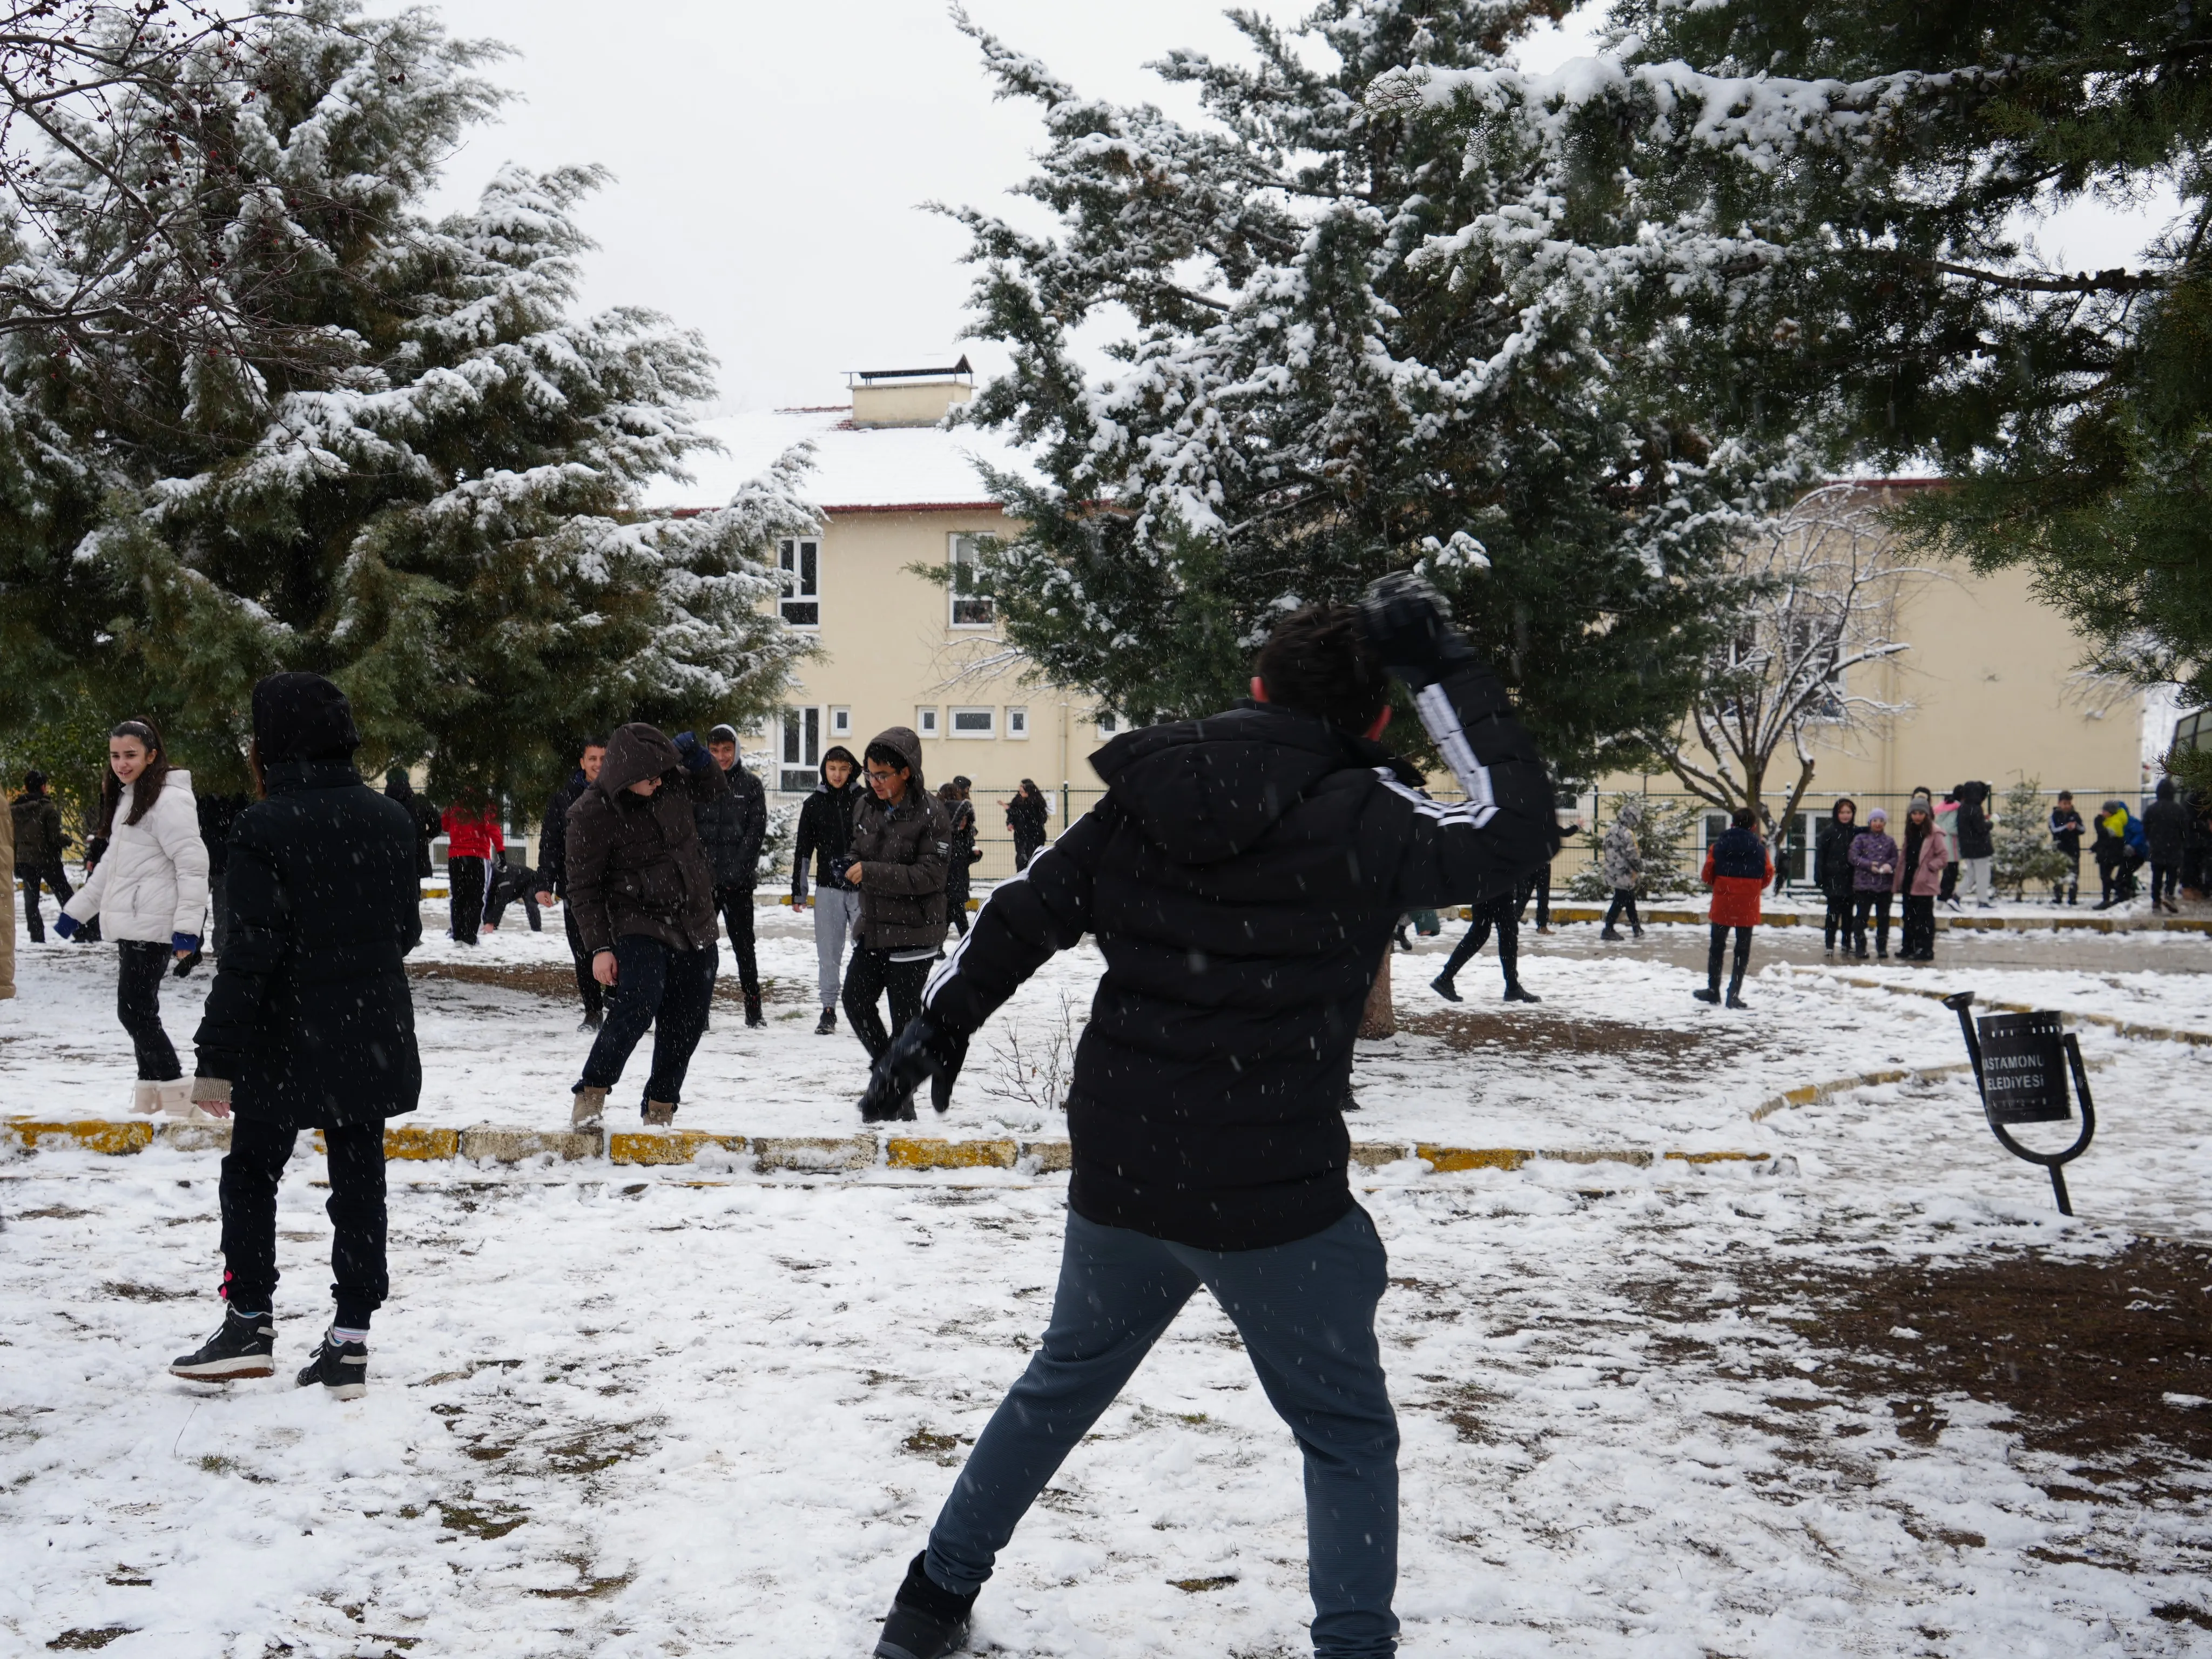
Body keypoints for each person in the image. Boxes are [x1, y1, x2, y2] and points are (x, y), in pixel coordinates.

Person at [853, 582, 1556, 1659]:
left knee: (1059, 1383)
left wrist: (939, 1024)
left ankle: (926, 1608)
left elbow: (1024, 908)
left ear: (1257, 685)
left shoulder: (1150, 790)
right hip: (1273, 1192)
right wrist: (1441, 671)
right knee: (1345, 1435)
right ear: (1370, 718)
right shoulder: (1370, 814)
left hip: (1130, 1170)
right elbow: (1512, 831)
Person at [166, 672, 422, 1397]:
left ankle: (249, 1319)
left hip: (283, 1034)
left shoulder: (262, 826)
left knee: (251, 1171)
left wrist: (215, 1058)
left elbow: (250, 952)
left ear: (270, 743)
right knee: (359, 1176)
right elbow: (403, 930)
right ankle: (350, 1340)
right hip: (368, 1027)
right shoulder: (391, 819)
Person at [564, 724, 727, 1129]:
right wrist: (600, 948)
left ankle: (661, 1106)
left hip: (694, 916)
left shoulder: (671, 782)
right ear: (625, 773)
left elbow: (715, 792)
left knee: (688, 1018)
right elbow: (583, 889)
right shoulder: (591, 813)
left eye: (661, 774)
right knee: (639, 1002)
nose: (657, 782)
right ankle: (592, 1092)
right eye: (649, 777)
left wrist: (702, 762)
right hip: (637, 918)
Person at [52, 719, 208, 1116]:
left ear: (152, 756)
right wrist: (77, 911)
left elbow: (192, 867)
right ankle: (152, 1097)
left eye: (130, 755)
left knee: (134, 1012)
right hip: (133, 923)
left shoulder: (168, 801)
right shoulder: (133, 796)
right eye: (115, 756)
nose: (121, 764)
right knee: (141, 1011)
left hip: (154, 924)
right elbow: (112, 868)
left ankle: (177, 1094)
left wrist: (187, 931)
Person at [844, 727, 953, 1079]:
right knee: (855, 1002)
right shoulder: (865, 806)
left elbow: (930, 877)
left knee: (904, 1020)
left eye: (882, 775)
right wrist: (847, 863)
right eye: (869, 774)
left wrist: (871, 872)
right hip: (873, 928)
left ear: (905, 772)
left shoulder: (932, 813)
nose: (874, 782)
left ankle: (899, 1099)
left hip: (914, 933)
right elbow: (859, 851)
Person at [694, 723, 768, 1026]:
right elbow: (692, 832)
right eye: (715, 751)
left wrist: (736, 874)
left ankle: (754, 1011)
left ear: (736, 749)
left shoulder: (750, 785)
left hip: (738, 886)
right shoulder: (699, 783)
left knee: (744, 949)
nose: (721, 757)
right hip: (704, 885)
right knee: (701, 950)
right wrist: (702, 874)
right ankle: (701, 1012)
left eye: (727, 750)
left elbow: (755, 834)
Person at [790, 744, 866, 1035]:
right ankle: (828, 1010)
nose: (837, 775)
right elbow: (803, 851)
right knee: (829, 952)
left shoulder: (865, 800)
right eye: (832, 769)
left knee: (867, 950)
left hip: (862, 889)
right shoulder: (813, 805)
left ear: (852, 770)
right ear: (825, 770)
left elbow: (879, 842)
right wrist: (800, 891)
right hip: (828, 889)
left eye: (843, 769)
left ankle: (861, 1006)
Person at [536, 737, 609, 1031]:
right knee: (583, 952)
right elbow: (550, 844)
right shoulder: (563, 798)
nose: (598, 765)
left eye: (604, 758)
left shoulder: (623, 792)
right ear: (582, 762)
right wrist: (544, 882)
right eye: (593, 759)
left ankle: (617, 1003)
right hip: (576, 889)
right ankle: (592, 1011)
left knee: (618, 948)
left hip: (615, 889)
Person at [1695, 806, 1771, 1008]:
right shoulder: (1760, 848)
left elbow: (1707, 873)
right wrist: (1752, 887)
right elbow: (1768, 874)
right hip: (1748, 903)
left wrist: (1721, 883)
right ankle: (1733, 994)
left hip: (1723, 901)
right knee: (1742, 949)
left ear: (1732, 824)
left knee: (1717, 947)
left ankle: (1713, 991)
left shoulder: (1719, 845)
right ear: (1754, 826)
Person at [1430, 876, 1539, 1002]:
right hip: (1497, 881)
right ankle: (1512, 987)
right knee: (1507, 932)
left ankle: (1446, 977)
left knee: (1480, 932)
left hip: (1483, 882)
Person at [11, 769, 75, 943]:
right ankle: (81, 931)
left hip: (25, 861)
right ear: (43, 787)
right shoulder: (47, 808)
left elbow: (13, 839)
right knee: (65, 895)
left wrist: (16, 861)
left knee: (31, 902)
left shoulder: (15, 812)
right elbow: (54, 838)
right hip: (48, 860)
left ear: (26, 787)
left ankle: (37, 937)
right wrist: (67, 841)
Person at [440, 791, 503, 945]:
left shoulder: (454, 802)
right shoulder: (485, 803)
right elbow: (492, 828)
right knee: (475, 897)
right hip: (478, 856)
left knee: (458, 897)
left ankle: (458, 936)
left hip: (456, 856)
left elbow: (445, 825)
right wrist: (501, 850)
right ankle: (470, 936)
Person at [195, 790, 249, 957]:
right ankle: (192, 949)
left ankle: (221, 950)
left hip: (224, 864)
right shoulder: (198, 798)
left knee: (223, 914)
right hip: (201, 864)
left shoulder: (237, 797)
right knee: (194, 910)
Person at [1895, 797, 1950, 961]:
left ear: (1927, 814)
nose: (1917, 817)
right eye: (1914, 813)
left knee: (1924, 918)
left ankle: (1925, 949)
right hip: (1909, 880)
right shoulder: (1910, 831)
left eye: (1921, 813)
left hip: (1924, 882)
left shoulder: (1935, 832)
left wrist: (1929, 867)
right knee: (1908, 917)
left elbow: (1944, 856)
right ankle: (1908, 947)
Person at [1846, 806, 1898, 959]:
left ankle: (1882, 947)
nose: (1878, 824)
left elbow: (1895, 858)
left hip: (1884, 886)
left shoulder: (1889, 841)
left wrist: (1889, 865)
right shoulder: (1861, 839)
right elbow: (1853, 857)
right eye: (1875, 820)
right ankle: (1860, 947)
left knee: (1883, 918)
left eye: (1881, 821)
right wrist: (1869, 865)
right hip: (1864, 885)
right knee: (1862, 918)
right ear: (1870, 822)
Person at [1812, 798, 1860, 953]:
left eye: (1848, 812)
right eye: (1842, 812)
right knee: (1832, 914)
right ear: (1836, 814)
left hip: (1851, 879)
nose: (1846, 816)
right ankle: (1829, 944)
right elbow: (1820, 855)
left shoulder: (1856, 832)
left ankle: (1847, 943)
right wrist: (1819, 875)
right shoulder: (1829, 832)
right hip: (1832, 878)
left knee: (1848, 915)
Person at [382, 767, 440, 881]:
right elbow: (437, 825)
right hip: (416, 858)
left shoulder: (383, 804)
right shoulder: (420, 803)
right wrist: (426, 836)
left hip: (391, 860)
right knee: (413, 894)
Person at [1597, 798, 1643, 940]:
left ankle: (1637, 927)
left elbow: (1605, 847)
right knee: (1620, 899)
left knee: (1629, 897)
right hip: (1624, 872)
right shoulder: (1628, 833)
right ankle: (1608, 928)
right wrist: (1640, 867)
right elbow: (1633, 854)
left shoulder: (1612, 830)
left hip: (1613, 870)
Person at [2143, 777, 2189, 915]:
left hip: (2157, 847)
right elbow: (2184, 830)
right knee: (2172, 874)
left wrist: (2151, 839)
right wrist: (2182, 841)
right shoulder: (2179, 810)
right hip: (2174, 847)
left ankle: (2156, 900)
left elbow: (2145, 827)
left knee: (2156, 875)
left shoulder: (2151, 809)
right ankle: (2169, 895)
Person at [939, 777, 979, 937]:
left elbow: (969, 855)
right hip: (954, 876)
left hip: (954, 875)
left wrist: (976, 855)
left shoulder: (941, 817)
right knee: (956, 911)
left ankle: (940, 945)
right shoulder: (958, 825)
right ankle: (967, 941)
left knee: (951, 911)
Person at [1951, 780, 1994, 907]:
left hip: (1967, 847)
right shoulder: (1975, 808)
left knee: (1971, 874)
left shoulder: (1963, 808)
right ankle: (1983, 900)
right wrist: (1992, 823)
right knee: (1983, 874)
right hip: (1980, 847)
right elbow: (1981, 828)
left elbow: (1969, 827)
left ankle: (1956, 897)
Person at [481, 855, 543, 932]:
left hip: (531, 881)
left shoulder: (503, 875)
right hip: (517, 885)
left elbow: (502, 900)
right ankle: (492, 927)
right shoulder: (491, 876)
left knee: (530, 903)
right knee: (492, 899)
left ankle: (537, 932)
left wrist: (491, 923)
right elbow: (489, 901)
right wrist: (487, 922)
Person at [2092, 799, 2131, 909]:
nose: (2103, 813)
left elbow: (2104, 835)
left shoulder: (2116, 822)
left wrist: (2097, 824)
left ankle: (2112, 896)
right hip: (2108, 854)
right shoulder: (2111, 820)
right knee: (2105, 877)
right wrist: (2094, 847)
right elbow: (2103, 839)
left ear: (2111, 812)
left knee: (2105, 877)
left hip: (2110, 855)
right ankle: (2119, 892)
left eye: (2105, 811)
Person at [1004, 779, 1050, 871]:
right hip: (1021, 835)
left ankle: (1032, 878)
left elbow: (1025, 815)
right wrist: (1010, 823)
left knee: (1032, 858)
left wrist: (1009, 810)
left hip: (1034, 836)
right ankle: (1023, 877)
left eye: (1022, 791)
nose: (1020, 792)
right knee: (1022, 858)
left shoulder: (1036, 803)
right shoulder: (1018, 800)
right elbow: (1014, 814)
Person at [2048, 790, 2085, 906]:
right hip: (2059, 849)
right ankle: (2058, 897)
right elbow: (2054, 830)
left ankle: (2073, 898)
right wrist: (2066, 828)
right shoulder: (2054, 815)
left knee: (2074, 875)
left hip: (2073, 850)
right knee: (2059, 874)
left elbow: (2083, 830)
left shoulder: (2076, 815)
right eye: (2065, 803)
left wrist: (2075, 827)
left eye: (2069, 803)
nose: (2067, 806)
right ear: (2059, 803)